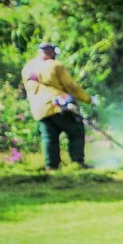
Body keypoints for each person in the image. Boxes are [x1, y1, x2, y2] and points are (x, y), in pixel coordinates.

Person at [21, 40, 94, 170]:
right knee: (76, 130)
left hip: (39, 109)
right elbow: (71, 86)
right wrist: (88, 99)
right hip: (58, 105)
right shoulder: (55, 65)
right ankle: (77, 163)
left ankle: (51, 167)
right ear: (51, 52)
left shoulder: (27, 68)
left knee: (49, 137)